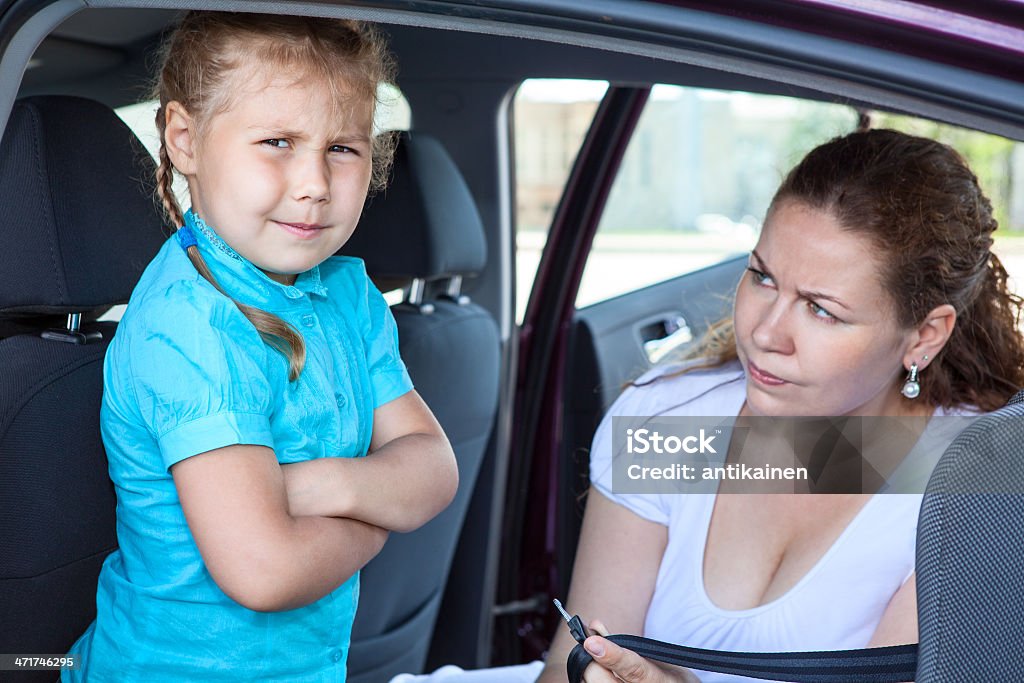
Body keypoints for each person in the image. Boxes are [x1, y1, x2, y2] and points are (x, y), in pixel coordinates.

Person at [394, 129, 1024, 683]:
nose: (765, 331)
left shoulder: (969, 490)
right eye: (763, 277)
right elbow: (566, 662)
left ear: (924, 335)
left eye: (822, 309)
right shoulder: (669, 423)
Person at [63, 12, 457, 682]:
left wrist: (314, 485)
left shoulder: (349, 298)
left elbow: (434, 471)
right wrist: (379, 517)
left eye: (343, 148)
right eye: (277, 140)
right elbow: (266, 571)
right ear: (184, 140)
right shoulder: (191, 325)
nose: (314, 183)